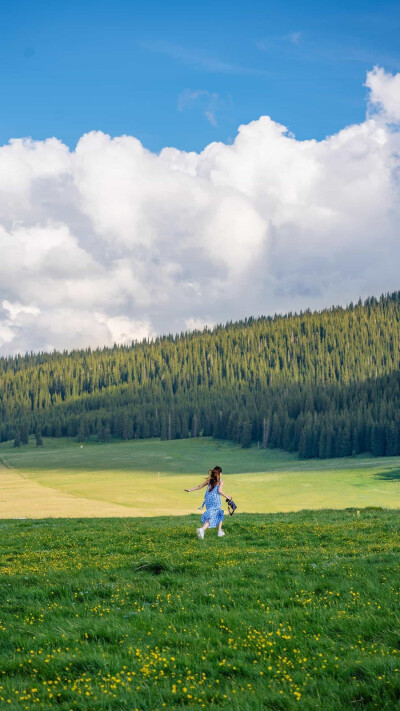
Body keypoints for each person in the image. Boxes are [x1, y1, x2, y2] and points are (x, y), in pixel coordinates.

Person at [184, 465, 231, 539]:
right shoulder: (220, 481)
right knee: (212, 516)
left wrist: (190, 490)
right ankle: (202, 530)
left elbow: (200, 486)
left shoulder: (210, 480)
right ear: (220, 473)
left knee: (218, 513)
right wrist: (228, 497)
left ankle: (219, 531)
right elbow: (220, 491)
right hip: (216, 501)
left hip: (209, 500)